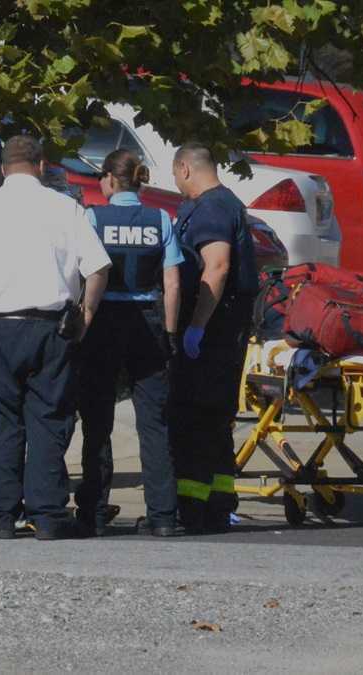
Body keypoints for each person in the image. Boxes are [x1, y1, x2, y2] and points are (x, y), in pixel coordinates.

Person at [0, 134, 111, 540]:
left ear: (2, 168)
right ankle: (49, 516)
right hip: (50, 328)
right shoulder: (66, 207)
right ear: (41, 165)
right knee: (48, 421)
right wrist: (85, 314)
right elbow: (99, 267)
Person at [75, 149, 183, 538]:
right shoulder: (160, 219)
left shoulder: (92, 217)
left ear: (109, 179)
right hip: (149, 323)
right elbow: (172, 283)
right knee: (153, 423)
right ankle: (164, 516)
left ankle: (94, 512)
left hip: (103, 321)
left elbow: (83, 274)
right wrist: (170, 333)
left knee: (97, 421)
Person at [169, 141, 259, 533]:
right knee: (215, 419)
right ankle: (218, 503)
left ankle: (193, 507)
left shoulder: (212, 207)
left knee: (195, 418)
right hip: (224, 327)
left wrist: (196, 327)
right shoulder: (224, 204)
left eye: (175, 175)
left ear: (185, 169)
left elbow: (217, 267)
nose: (176, 183)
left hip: (213, 329)